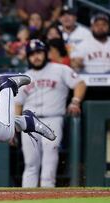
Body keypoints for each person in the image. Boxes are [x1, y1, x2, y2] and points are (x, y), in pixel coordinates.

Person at [15, 39, 86, 188]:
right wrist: (15, 125)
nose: (36, 56)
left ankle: (47, 195)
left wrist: (75, 101)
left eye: (39, 52)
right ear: (28, 57)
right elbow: (18, 103)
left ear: (46, 53)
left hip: (53, 118)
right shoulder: (25, 76)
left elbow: (80, 83)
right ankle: (27, 198)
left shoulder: (60, 69)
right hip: (29, 122)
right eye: (32, 54)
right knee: (30, 164)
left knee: (50, 160)